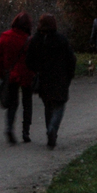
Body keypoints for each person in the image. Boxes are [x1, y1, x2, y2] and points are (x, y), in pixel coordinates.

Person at [24, 14, 76, 149]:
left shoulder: (36, 40)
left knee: (48, 106)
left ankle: (50, 130)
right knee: (59, 105)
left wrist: (37, 69)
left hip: (44, 78)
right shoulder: (61, 40)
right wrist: (70, 75)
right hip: (60, 77)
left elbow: (29, 61)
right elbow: (71, 59)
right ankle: (53, 129)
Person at [0, 11, 36, 144]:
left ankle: (9, 128)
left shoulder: (5, 36)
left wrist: (0, 72)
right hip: (27, 74)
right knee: (27, 103)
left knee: (12, 103)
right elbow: (34, 60)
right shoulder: (29, 40)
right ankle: (26, 132)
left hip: (11, 74)